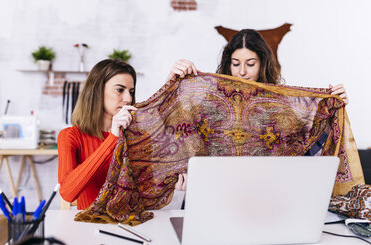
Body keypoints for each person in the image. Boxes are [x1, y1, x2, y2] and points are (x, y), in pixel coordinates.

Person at [168, 29, 349, 191]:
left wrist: (332, 110)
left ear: (262, 64)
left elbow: (302, 153)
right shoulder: (209, 106)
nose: (242, 72)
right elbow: (176, 133)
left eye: (251, 63)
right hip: (215, 195)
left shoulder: (281, 109)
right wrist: (171, 81)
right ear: (228, 65)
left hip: (264, 199)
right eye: (236, 63)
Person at [58, 59, 137, 210]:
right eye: (120, 90)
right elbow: (67, 193)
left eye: (131, 92)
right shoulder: (70, 136)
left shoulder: (135, 135)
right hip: (91, 226)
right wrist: (113, 137)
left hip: (132, 223)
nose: (128, 99)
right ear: (97, 91)